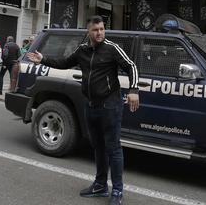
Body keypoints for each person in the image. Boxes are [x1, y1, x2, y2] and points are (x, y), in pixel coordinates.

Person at [28, 16, 139, 205]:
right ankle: (100, 185)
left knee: (113, 148)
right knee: (98, 146)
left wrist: (134, 90)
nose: (99, 33)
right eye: (95, 30)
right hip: (90, 105)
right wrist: (43, 59)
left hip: (110, 105)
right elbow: (65, 63)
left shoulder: (112, 48)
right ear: (88, 31)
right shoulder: (82, 50)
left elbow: (131, 66)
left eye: (102, 29)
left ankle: (117, 191)